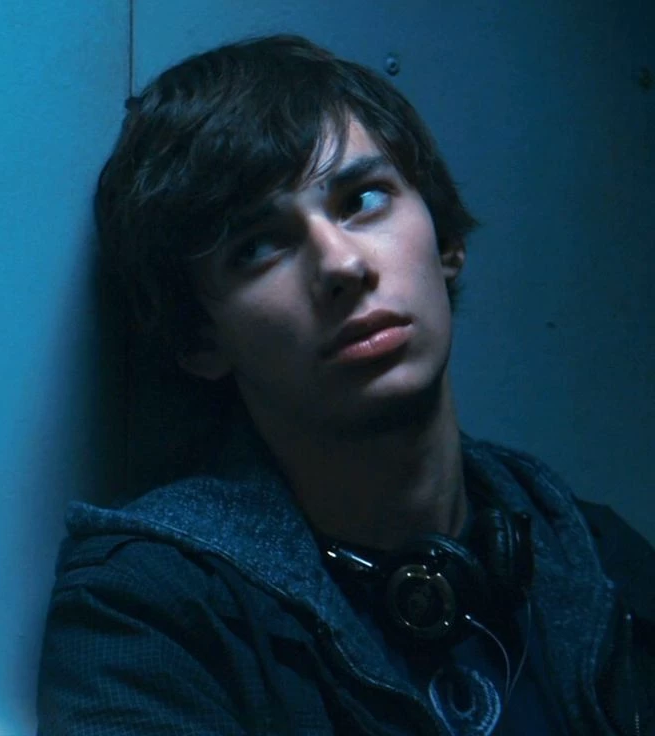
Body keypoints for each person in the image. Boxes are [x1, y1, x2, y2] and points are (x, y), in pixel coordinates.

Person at [37, 35, 655, 735]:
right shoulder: (147, 613)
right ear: (200, 340)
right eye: (258, 246)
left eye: (363, 199)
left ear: (445, 241)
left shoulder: (594, 559)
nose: (341, 265)